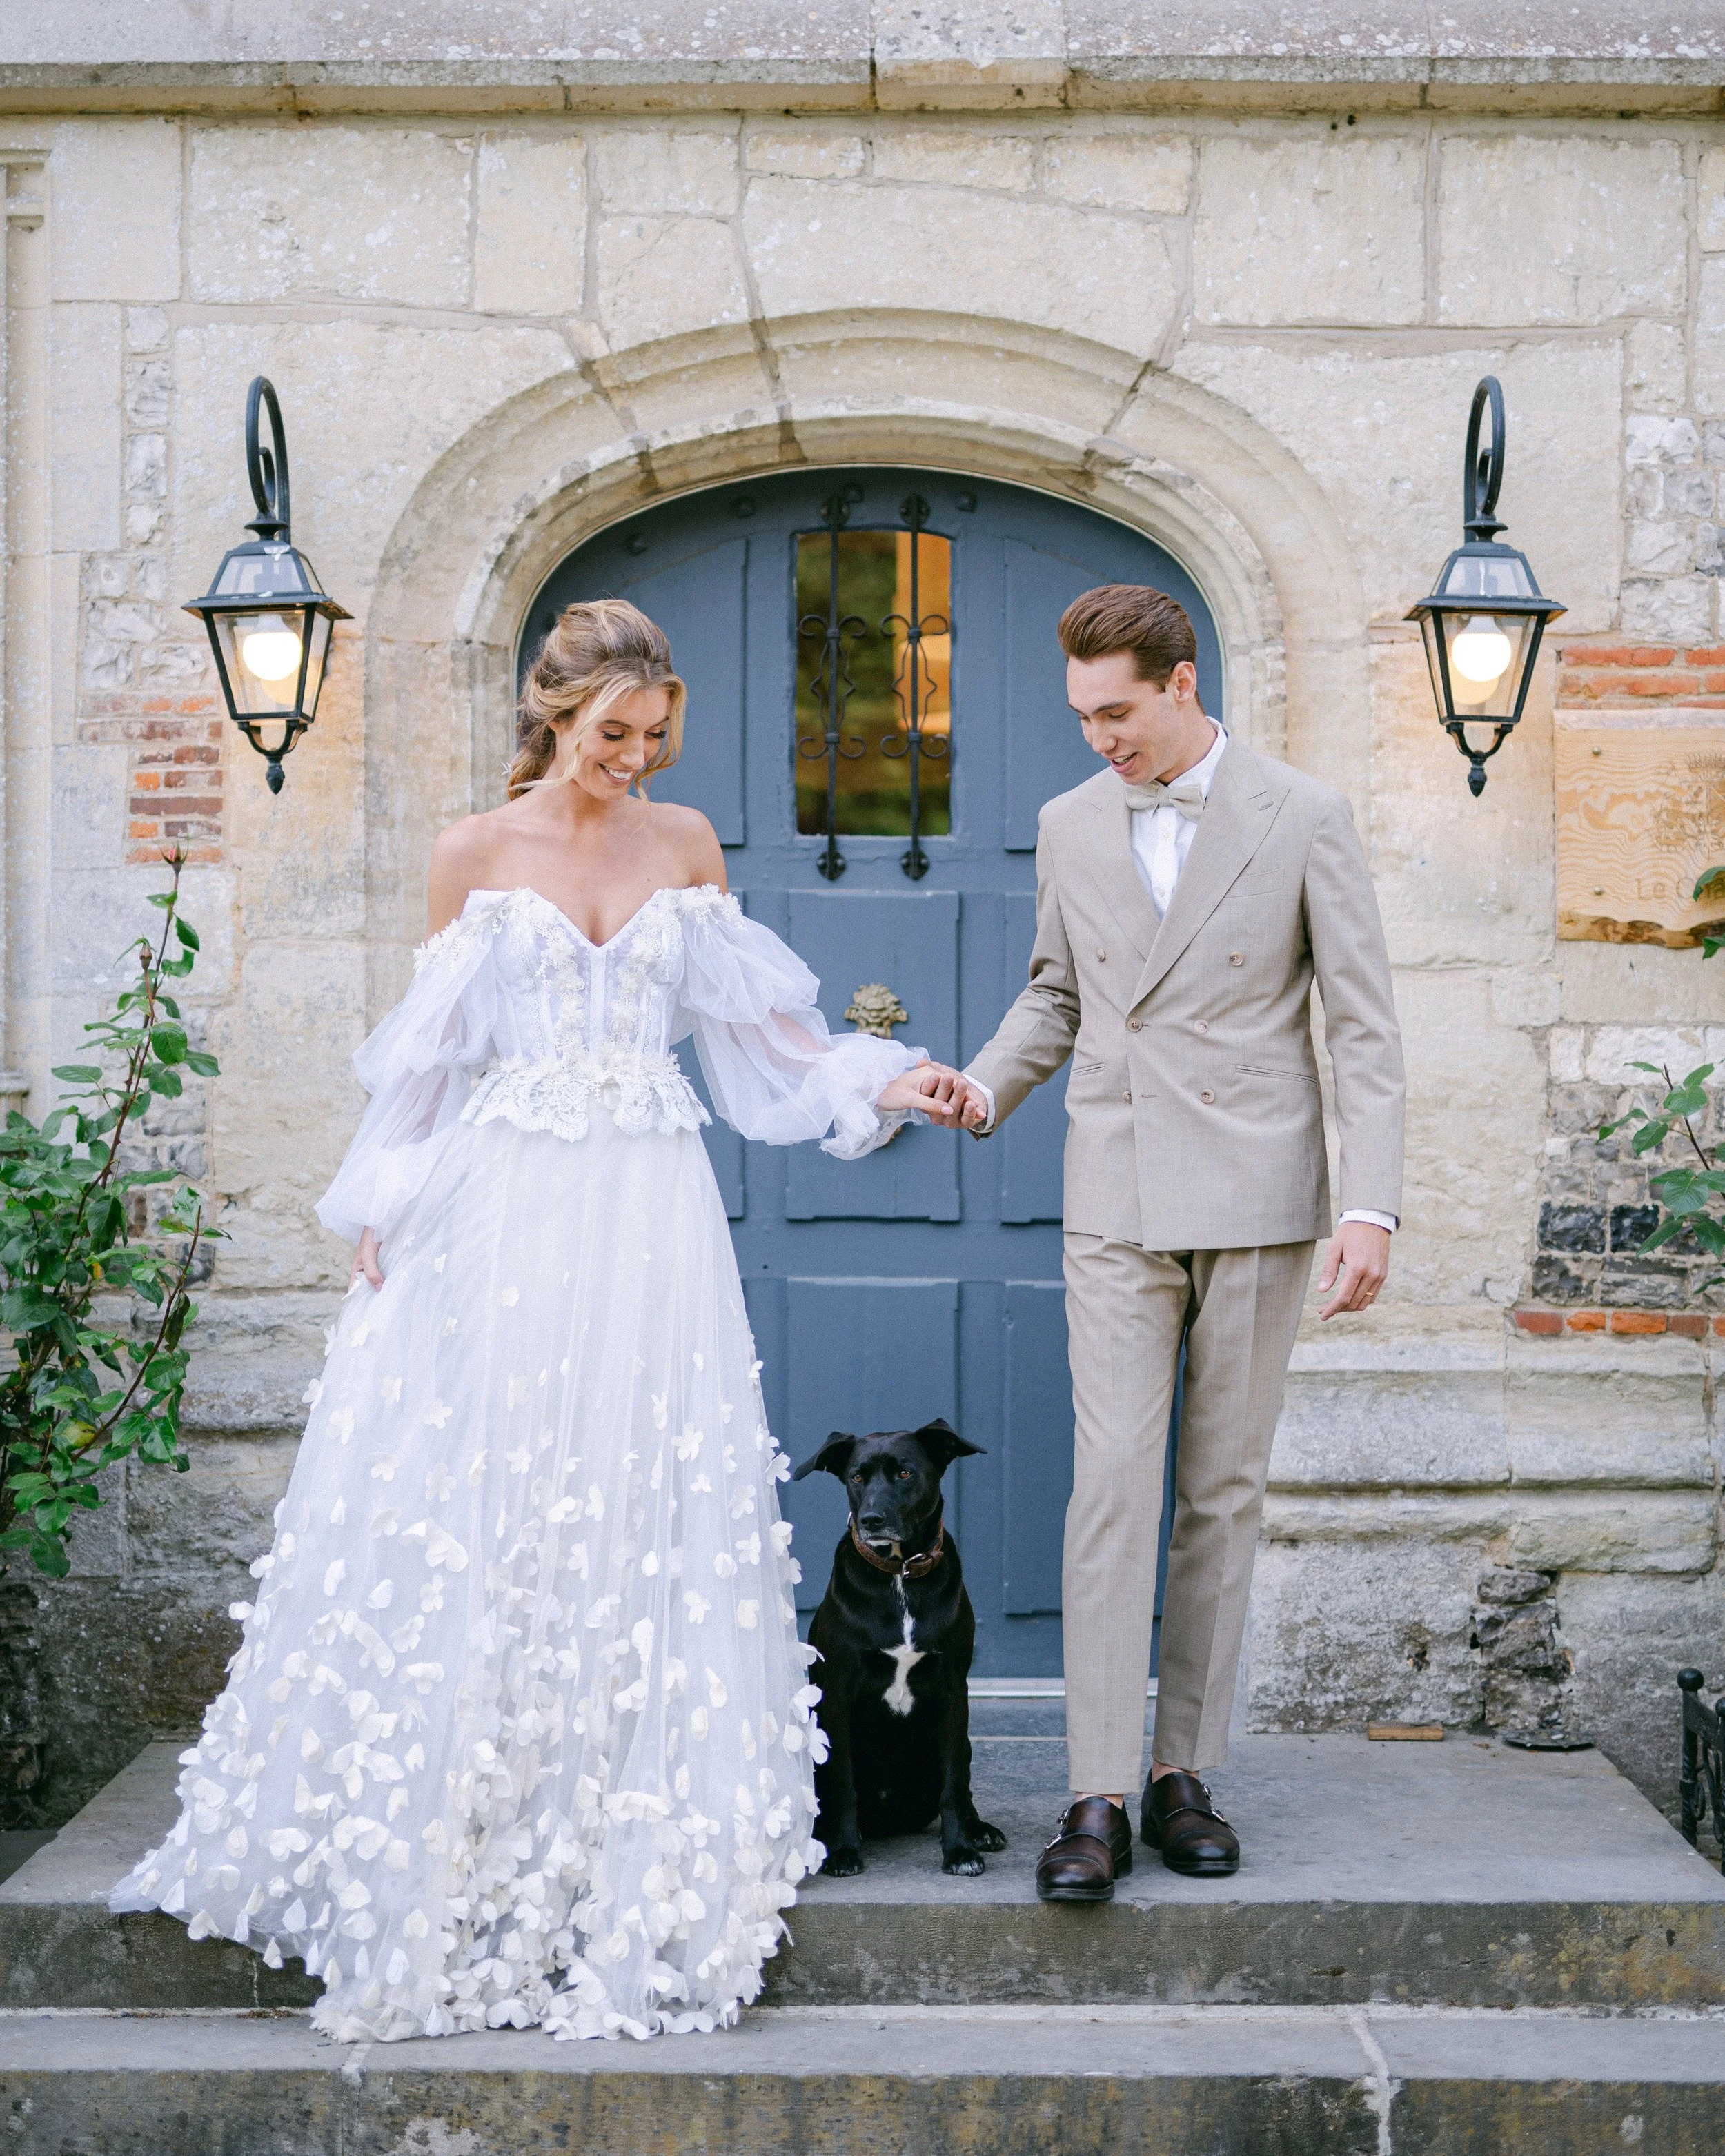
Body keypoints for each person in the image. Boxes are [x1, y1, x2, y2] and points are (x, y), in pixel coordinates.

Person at [111, 597, 969, 2040]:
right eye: (606, 733)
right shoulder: (469, 853)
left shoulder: (684, 849)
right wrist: (381, 1208)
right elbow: (430, 1069)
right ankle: (470, 1803)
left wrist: (885, 1081)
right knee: (491, 1498)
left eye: (651, 735)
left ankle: (623, 1811)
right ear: (551, 716)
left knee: (635, 1491)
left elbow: (769, 1052)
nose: (631, 758)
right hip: (499, 1211)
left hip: (646, 1213)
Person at [949, 584, 1404, 1899]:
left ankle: (1181, 1775)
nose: (1100, 738)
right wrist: (987, 1088)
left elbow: (1362, 1025)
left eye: (1119, 711)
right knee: (1113, 1483)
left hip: (1262, 1192)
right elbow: (1057, 992)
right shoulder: (1068, 823)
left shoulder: (1303, 813)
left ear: (1182, 683)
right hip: (1118, 1189)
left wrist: (1367, 1205)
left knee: (1221, 1491)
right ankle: (1093, 1791)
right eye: (1084, 716)